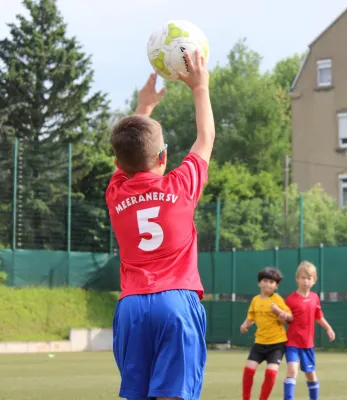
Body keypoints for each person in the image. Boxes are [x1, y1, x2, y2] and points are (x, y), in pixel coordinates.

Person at [105, 49, 214, 400]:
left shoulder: (116, 193)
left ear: (119, 162)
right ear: (165, 156)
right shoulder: (180, 187)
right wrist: (200, 87)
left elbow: (128, 153)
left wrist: (144, 108)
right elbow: (205, 139)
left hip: (132, 306)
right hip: (175, 303)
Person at [278, 261, 336, 400]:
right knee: (292, 371)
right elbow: (284, 320)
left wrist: (328, 328)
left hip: (307, 344)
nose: (306, 281)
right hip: (292, 343)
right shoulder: (291, 300)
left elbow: (319, 316)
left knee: (310, 374)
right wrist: (281, 318)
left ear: (314, 281)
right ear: (297, 279)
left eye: (309, 278)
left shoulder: (315, 297)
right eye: (303, 278)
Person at [240, 267, 292, 400]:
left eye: (272, 282)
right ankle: (246, 398)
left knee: (270, 372)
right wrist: (245, 325)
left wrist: (279, 313)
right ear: (259, 283)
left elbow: (289, 317)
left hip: (277, 344)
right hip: (260, 343)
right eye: (265, 281)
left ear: (276, 285)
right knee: (249, 370)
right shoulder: (255, 300)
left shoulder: (277, 300)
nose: (268, 284)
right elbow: (251, 317)